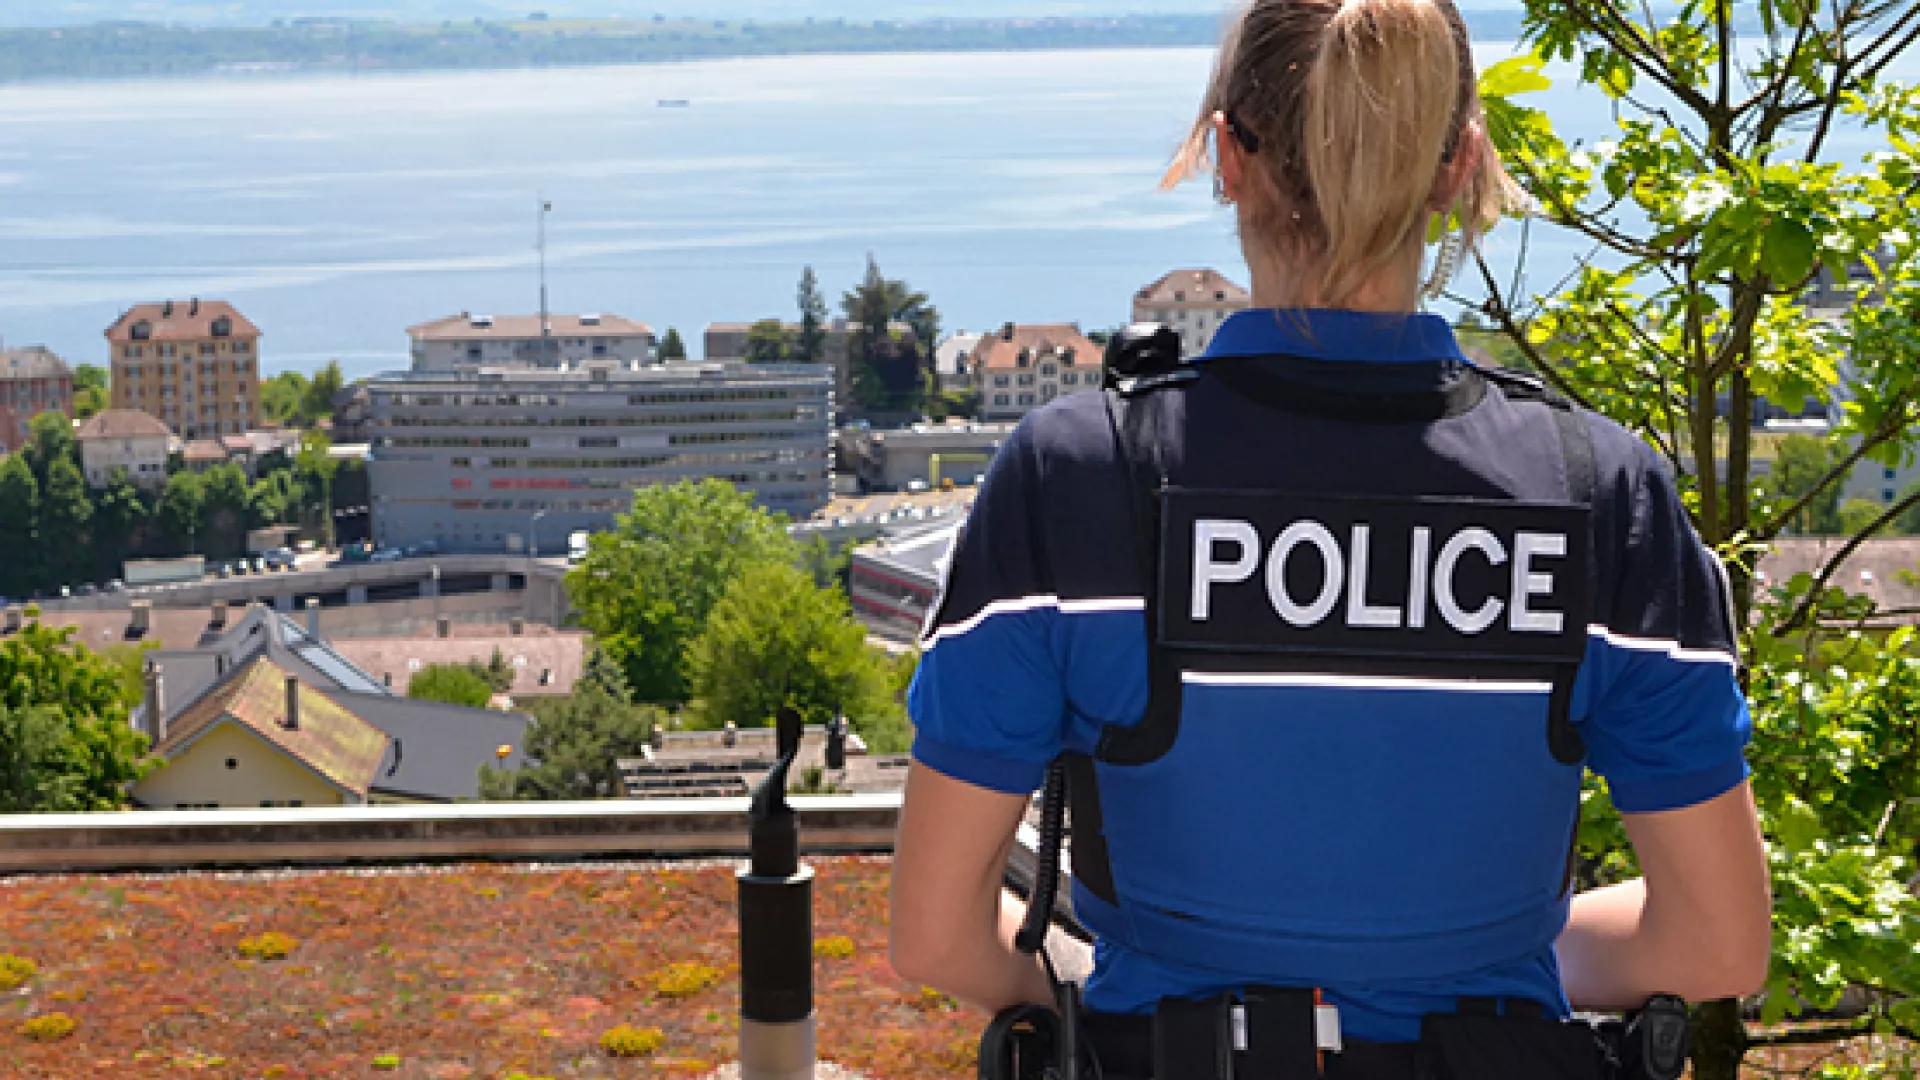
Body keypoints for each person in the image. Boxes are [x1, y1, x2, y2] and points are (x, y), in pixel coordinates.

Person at [889, 0, 1771, 1077]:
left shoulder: (1078, 476)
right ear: (1460, 167)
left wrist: (1097, 1000)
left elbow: (936, 934)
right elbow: (1718, 943)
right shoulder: (1601, 493)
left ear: (1226, 156)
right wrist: (1494, 970)